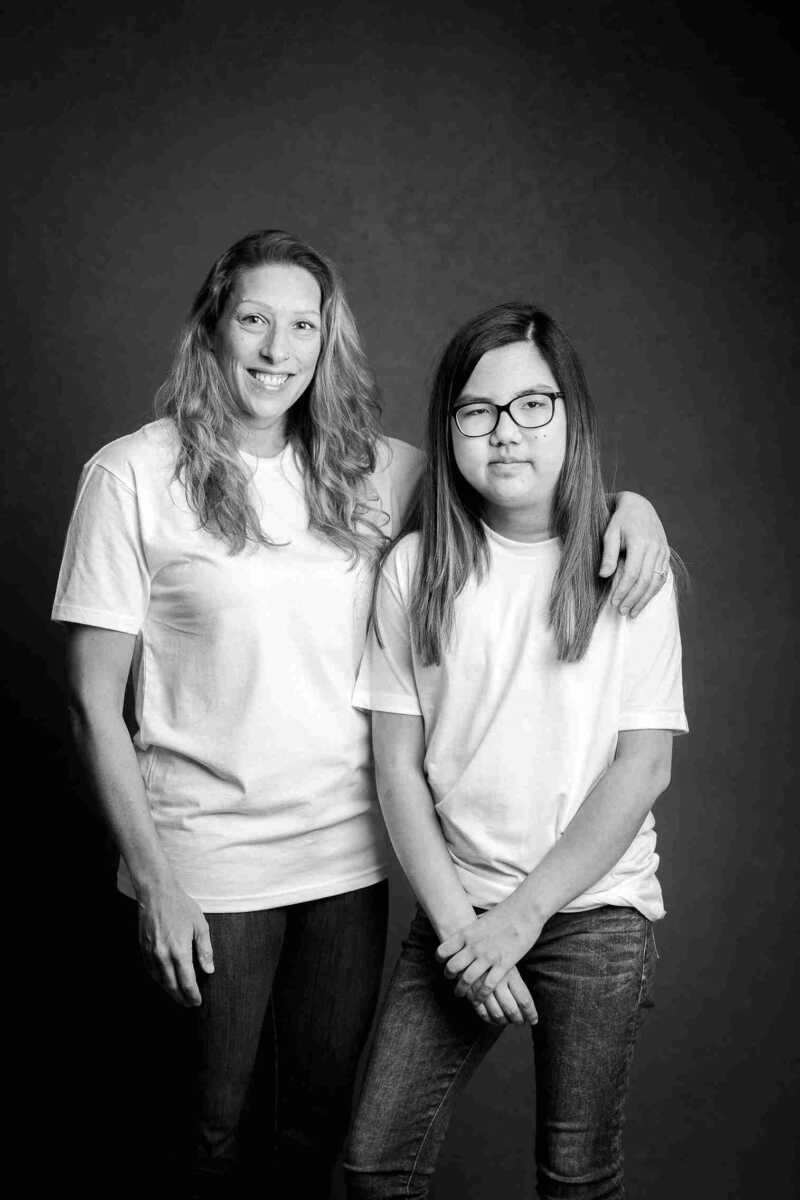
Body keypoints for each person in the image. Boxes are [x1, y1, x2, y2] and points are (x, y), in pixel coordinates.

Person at [52, 231, 670, 1198]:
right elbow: (94, 700)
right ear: (212, 328)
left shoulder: (372, 470)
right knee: (207, 1131)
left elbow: (517, 475)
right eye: (253, 319)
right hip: (207, 865)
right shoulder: (132, 475)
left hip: (342, 865)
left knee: (315, 1129)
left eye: (303, 325)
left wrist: (633, 507)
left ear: (327, 339)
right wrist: (153, 876)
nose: (275, 349)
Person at [345, 301, 688, 1200]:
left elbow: (643, 768)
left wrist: (524, 918)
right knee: (376, 1166)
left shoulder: (630, 568)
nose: (505, 433)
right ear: (449, 430)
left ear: (570, 416)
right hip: (458, 911)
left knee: (575, 1178)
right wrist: (467, 930)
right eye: (477, 411)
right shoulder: (416, 571)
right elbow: (396, 771)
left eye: (532, 405)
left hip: (592, 914)